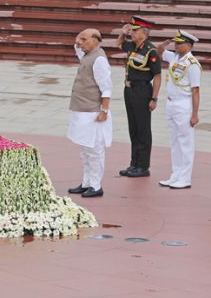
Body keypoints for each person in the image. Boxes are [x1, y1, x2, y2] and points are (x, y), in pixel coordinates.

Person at [67, 28, 113, 197]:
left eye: (84, 39)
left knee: (94, 150)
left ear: (96, 40)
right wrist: (78, 39)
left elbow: (106, 88)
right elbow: (77, 48)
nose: (81, 43)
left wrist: (104, 110)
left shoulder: (99, 59)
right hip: (81, 109)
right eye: (80, 39)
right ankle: (86, 182)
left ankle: (96, 185)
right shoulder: (87, 55)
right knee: (85, 150)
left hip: (93, 112)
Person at [116, 16, 161, 178]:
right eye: (132, 31)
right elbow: (119, 44)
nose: (132, 33)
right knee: (133, 128)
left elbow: (157, 76)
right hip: (129, 90)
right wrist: (123, 33)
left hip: (142, 91)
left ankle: (143, 166)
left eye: (135, 31)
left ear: (145, 33)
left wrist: (154, 98)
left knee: (142, 129)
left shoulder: (150, 51)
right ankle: (134, 163)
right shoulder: (133, 46)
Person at [156, 30, 201, 189]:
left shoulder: (192, 63)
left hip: (184, 103)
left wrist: (195, 114)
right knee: (174, 141)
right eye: (176, 42)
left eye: (179, 43)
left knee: (185, 142)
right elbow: (159, 53)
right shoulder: (174, 57)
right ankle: (175, 174)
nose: (176, 45)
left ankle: (185, 177)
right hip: (171, 102)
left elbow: (196, 90)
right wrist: (163, 45)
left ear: (188, 46)